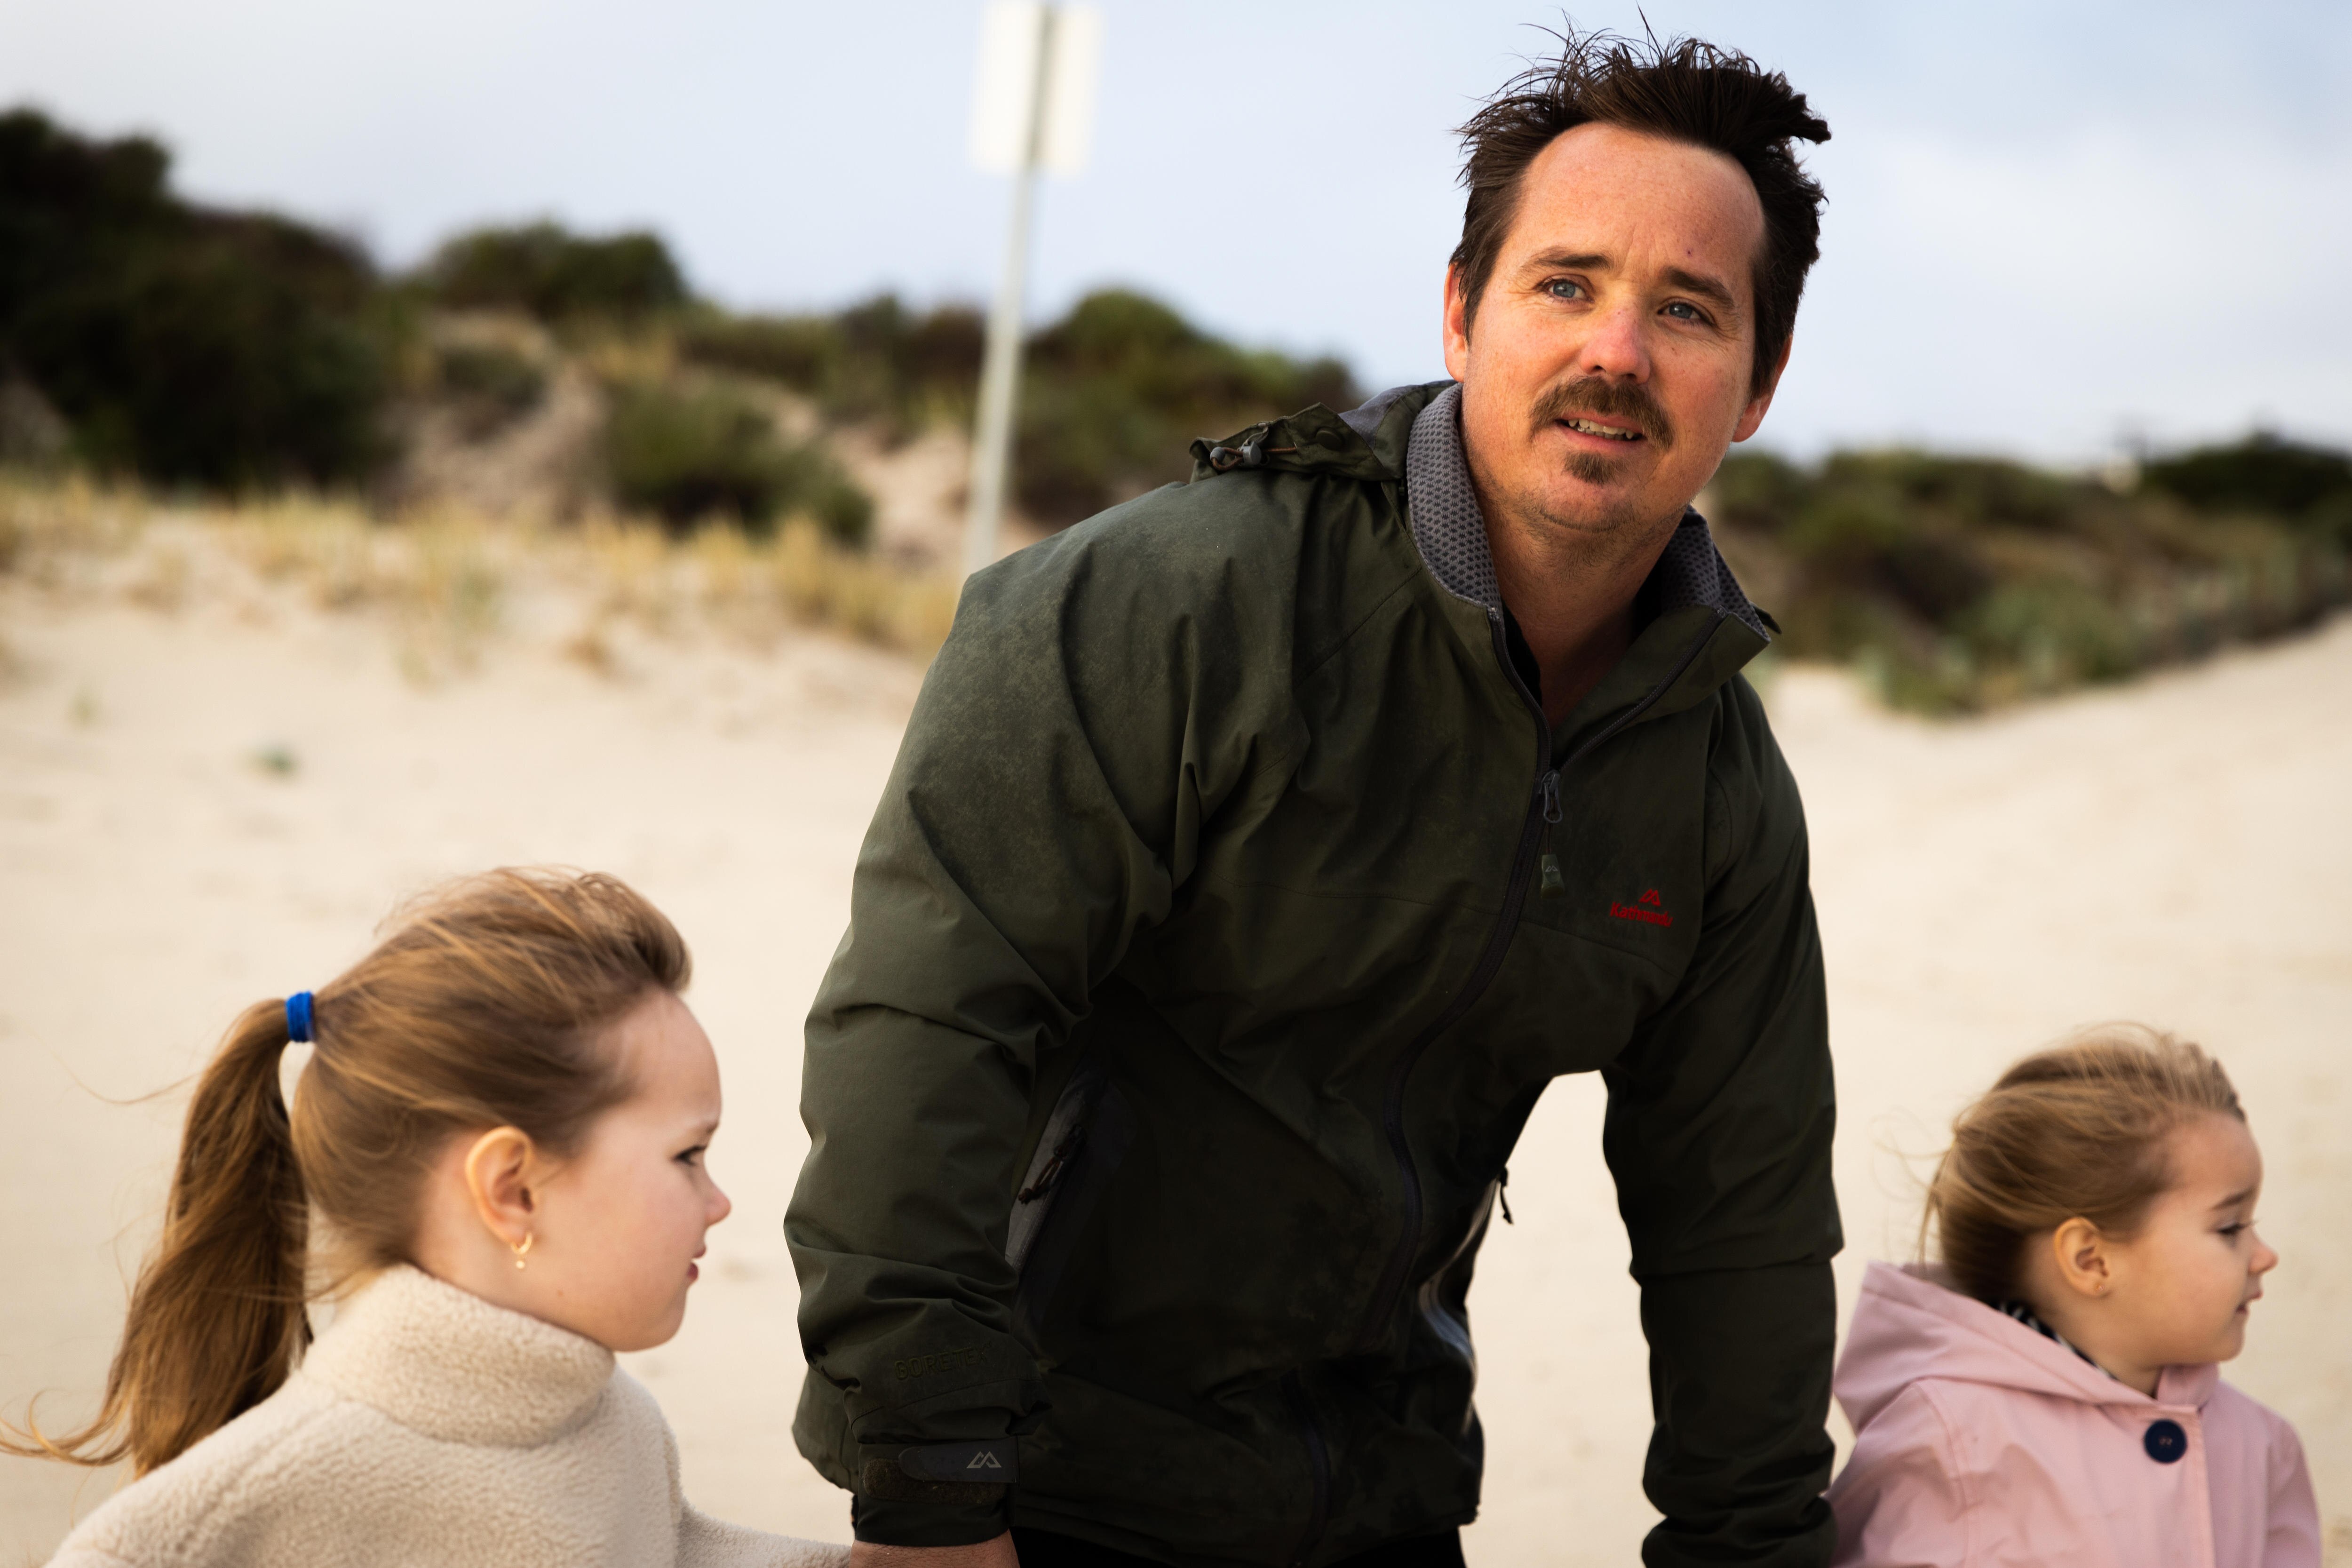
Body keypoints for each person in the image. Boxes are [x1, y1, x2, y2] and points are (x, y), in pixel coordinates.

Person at [787, 29, 1840, 1568]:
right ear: (1462, 313)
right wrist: (932, 1483)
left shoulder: (1712, 771)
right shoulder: (1174, 607)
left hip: (1379, 1498)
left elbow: (1737, 1222)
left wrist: (1756, 1545)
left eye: (1687, 309)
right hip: (1032, 1485)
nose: (1617, 350)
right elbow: (927, 1028)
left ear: (1756, 385)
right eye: (1567, 284)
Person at [10, 868, 848, 1568]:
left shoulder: (617, 1424)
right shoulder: (226, 1516)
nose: (720, 1200)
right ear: (512, 1187)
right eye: (687, 1155)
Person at [1828, 1025, 2320, 1568]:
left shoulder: (2260, 1446)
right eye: (2229, 1228)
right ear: (2090, 1260)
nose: (2264, 1254)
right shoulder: (1952, 1441)